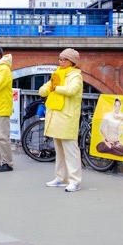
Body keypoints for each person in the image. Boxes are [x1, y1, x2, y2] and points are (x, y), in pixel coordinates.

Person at [40, 48, 84, 191]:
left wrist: (55, 87)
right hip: (56, 116)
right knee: (59, 150)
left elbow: (71, 90)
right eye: (60, 59)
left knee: (71, 150)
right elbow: (42, 91)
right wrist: (51, 87)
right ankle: (60, 178)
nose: (61, 62)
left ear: (72, 62)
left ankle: (75, 181)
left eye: (64, 59)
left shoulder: (76, 76)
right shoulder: (57, 74)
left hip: (67, 117)